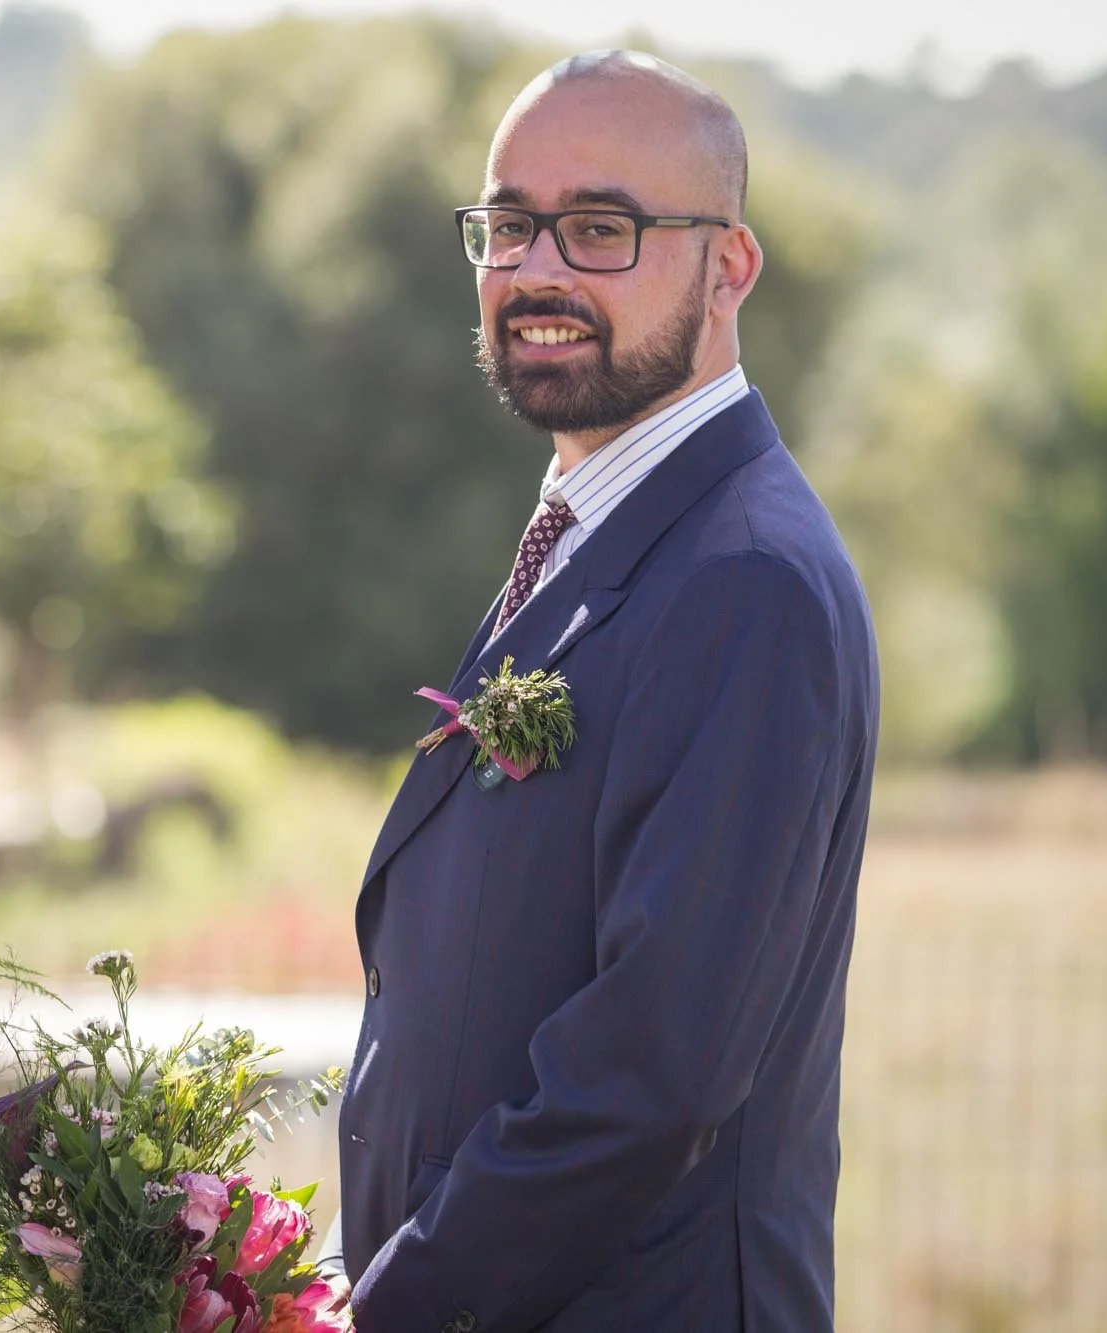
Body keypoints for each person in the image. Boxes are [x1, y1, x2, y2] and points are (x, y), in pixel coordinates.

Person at [336, 52, 880, 1332]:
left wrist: (394, 1306)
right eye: (508, 224)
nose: (536, 270)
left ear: (727, 266)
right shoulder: (601, 525)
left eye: (600, 228)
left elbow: (652, 1068)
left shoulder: (745, 578)